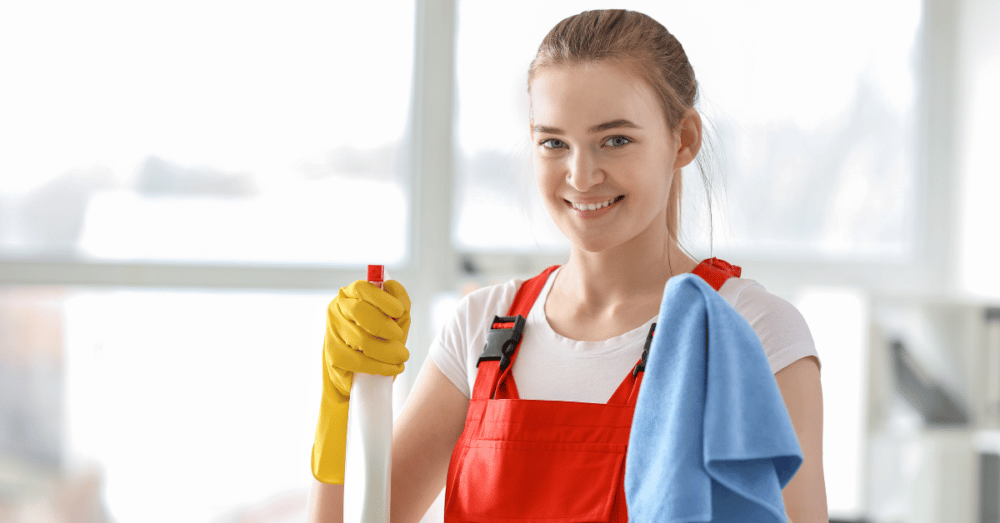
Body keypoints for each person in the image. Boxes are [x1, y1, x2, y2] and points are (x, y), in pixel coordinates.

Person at [308, 9, 827, 523]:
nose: (581, 176)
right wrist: (342, 403)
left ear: (683, 139)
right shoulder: (484, 326)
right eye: (554, 142)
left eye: (616, 140)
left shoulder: (751, 332)